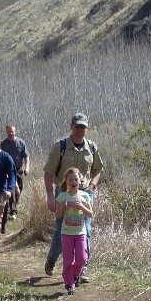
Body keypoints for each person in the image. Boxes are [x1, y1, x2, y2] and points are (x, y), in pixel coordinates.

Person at [42, 113, 103, 281]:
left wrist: (91, 186)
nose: (80, 130)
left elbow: (98, 169)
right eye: (77, 126)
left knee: (86, 231)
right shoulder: (60, 147)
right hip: (63, 194)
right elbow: (48, 172)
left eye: (83, 127)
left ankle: (81, 270)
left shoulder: (91, 147)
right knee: (63, 231)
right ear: (71, 126)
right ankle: (52, 260)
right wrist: (50, 196)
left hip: (84, 194)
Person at [55, 167, 93, 295]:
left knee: (82, 258)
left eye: (76, 179)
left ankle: (76, 274)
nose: (73, 181)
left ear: (80, 181)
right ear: (66, 181)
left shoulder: (85, 196)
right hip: (66, 233)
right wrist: (63, 206)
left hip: (80, 232)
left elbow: (90, 214)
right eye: (70, 179)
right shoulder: (62, 196)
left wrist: (81, 206)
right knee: (68, 260)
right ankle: (69, 283)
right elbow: (58, 215)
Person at [0, 125, 30, 221]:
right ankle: (13, 211)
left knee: (18, 190)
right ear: (6, 132)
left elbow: (26, 156)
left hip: (18, 170)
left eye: (12, 131)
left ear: (15, 131)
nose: (10, 133)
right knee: (11, 190)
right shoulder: (3, 144)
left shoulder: (21, 143)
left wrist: (27, 167)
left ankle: (13, 205)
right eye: (9, 131)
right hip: (7, 171)